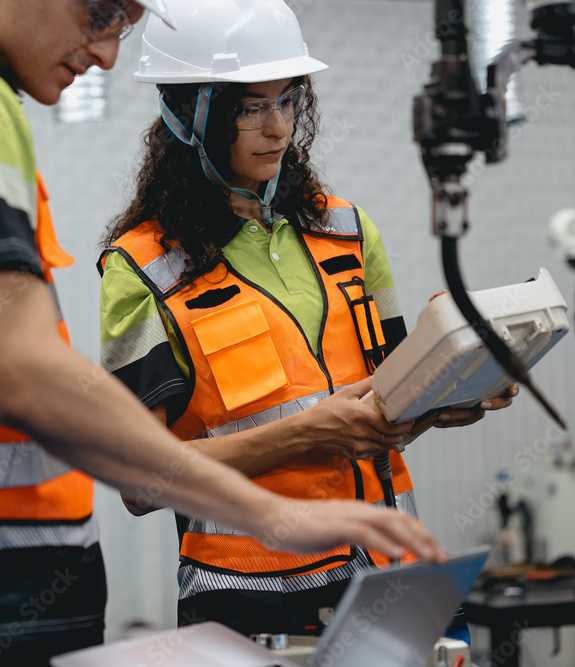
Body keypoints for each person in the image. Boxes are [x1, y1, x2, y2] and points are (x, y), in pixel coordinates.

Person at [0, 1, 447, 665]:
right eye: (98, 11)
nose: (107, 53)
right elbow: (27, 374)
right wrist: (272, 513)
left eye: (125, 25)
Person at [99, 0, 517, 640]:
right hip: (248, 603)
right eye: (249, 107)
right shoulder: (144, 267)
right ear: (187, 117)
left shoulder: (346, 230)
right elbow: (139, 485)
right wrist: (307, 434)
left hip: (386, 571)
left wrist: (453, 390)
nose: (277, 128)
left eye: (288, 101)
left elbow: (387, 409)